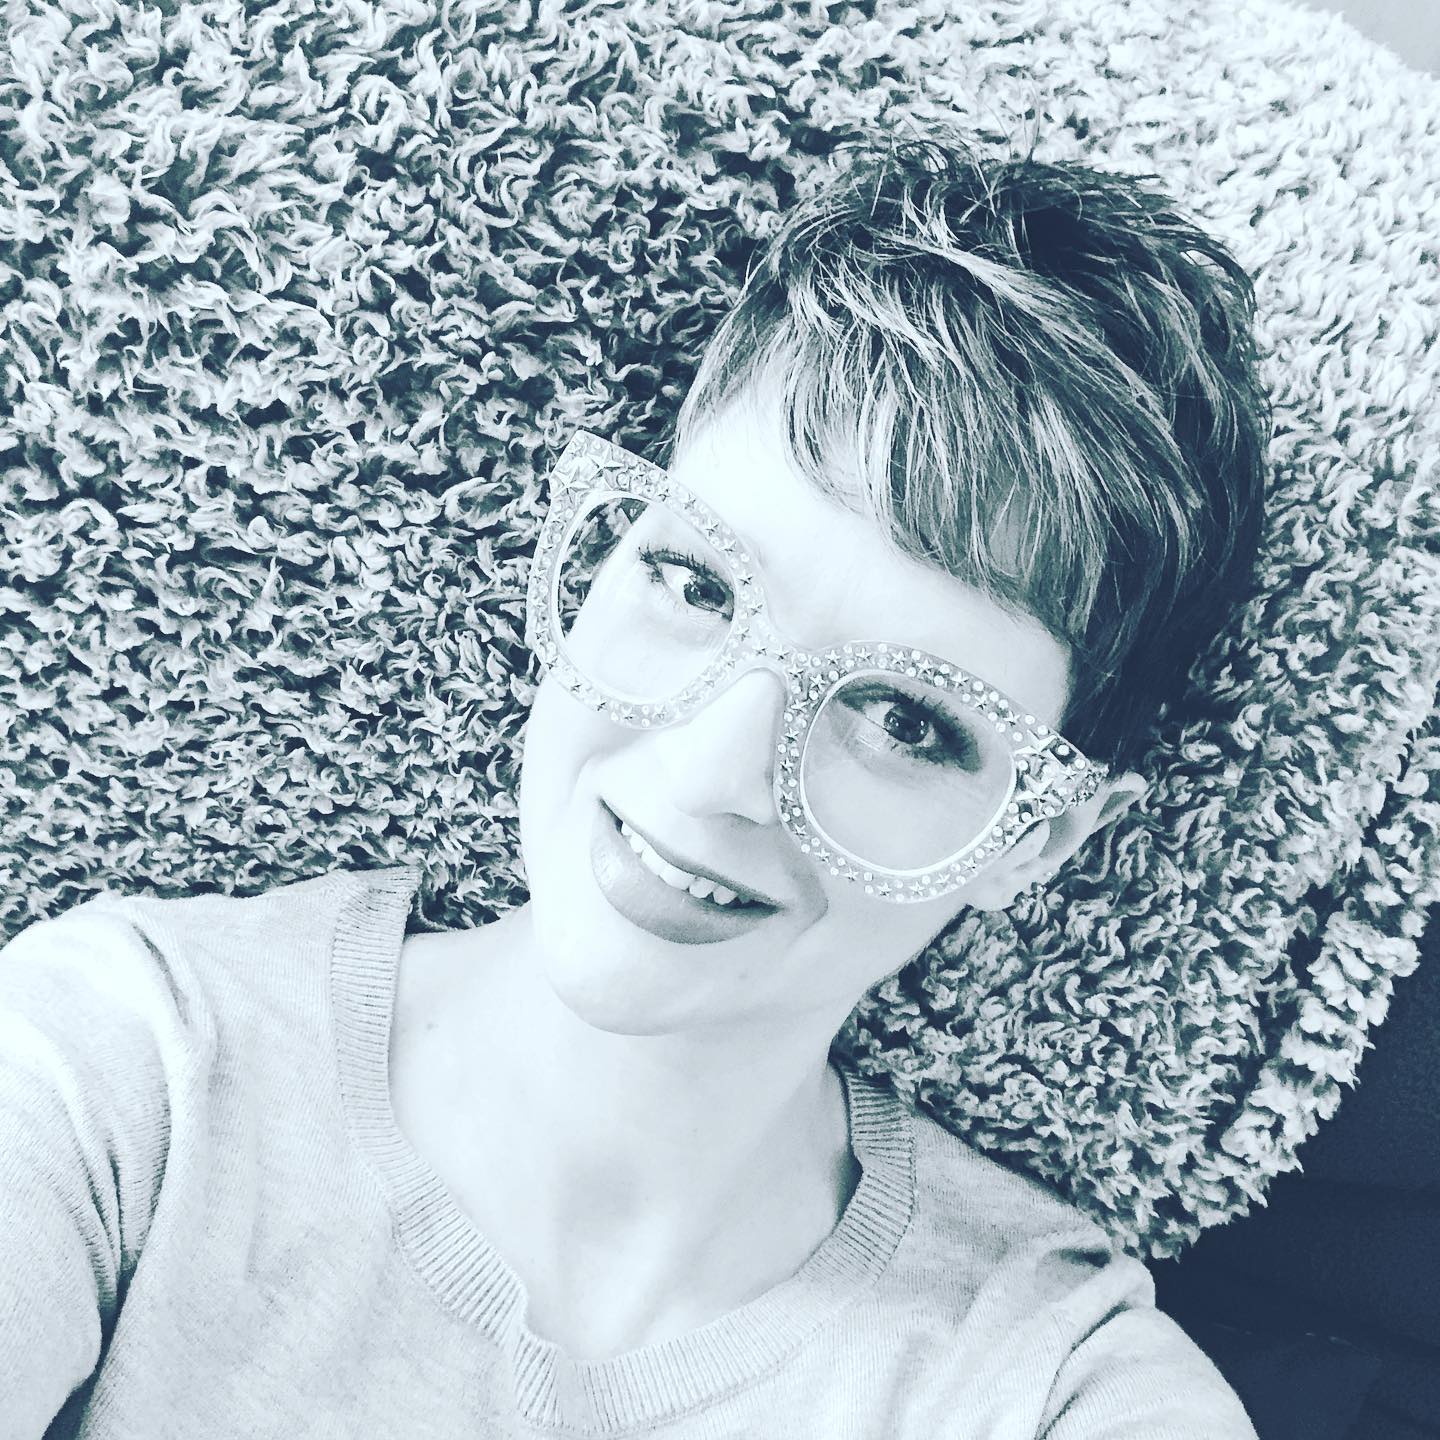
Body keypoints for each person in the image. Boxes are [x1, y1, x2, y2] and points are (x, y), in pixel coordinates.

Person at [0, 131, 1269, 1437]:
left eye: (904, 719)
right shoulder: (128, 1073)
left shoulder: (1048, 1382)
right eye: (697, 583)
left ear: (1034, 836)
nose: (712, 770)